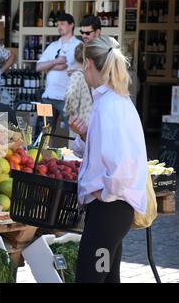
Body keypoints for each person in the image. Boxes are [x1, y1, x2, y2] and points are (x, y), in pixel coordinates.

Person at [70, 36, 148, 283]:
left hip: (109, 212)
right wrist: (84, 135)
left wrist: (103, 194)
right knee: (108, 277)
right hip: (111, 214)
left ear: (90, 64)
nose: (83, 72)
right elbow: (103, 151)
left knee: (90, 277)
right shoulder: (113, 102)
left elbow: (122, 167)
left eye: (83, 66)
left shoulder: (110, 106)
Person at [36, 13, 82, 133]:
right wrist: (56, 62)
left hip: (68, 98)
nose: (59, 27)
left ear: (71, 25)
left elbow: (70, 67)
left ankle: (70, 152)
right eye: (57, 24)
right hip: (48, 96)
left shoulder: (79, 45)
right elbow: (39, 67)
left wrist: (50, 66)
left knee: (71, 131)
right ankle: (43, 153)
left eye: (62, 24)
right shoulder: (53, 46)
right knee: (44, 132)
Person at [63, 16, 101, 126]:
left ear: (98, 32)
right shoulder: (85, 48)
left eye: (88, 33)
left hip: (95, 115)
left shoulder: (104, 50)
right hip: (90, 115)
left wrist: (78, 73)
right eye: (82, 32)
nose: (84, 36)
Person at [63, 44, 93, 126]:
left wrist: (69, 111)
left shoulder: (77, 75)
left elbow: (70, 95)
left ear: (75, 57)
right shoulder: (92, 74)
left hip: (79, 121)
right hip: (92, 119)